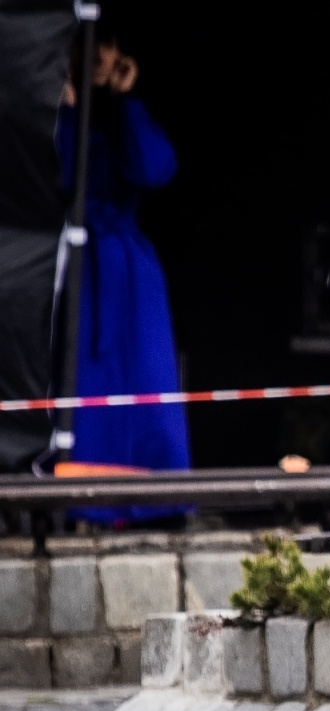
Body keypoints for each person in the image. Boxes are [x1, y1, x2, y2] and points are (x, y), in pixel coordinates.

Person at [58, 33, 190, 519]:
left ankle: (155, 501)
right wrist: (69, 110)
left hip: (129, 269)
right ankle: (84, 503)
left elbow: (155, 171)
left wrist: (126, 100)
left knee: (148, 382)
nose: (98, 56)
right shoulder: (53, 112)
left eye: (108, 45)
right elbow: (59, 177)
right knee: (85, 385)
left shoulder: (124, 112)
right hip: (75, 264)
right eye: (86, 46)